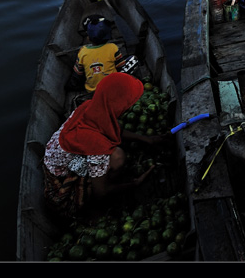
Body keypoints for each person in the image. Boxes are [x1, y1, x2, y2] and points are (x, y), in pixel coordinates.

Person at [42, 72, 160, 220]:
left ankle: (99, 177)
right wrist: (134, 184)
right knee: (118, 157)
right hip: (60, 179)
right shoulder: (96, 143)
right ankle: (93, 206)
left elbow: (116, 129)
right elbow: (101, 191)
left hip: (57, 156)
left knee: (112, 148)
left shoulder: (90, 106)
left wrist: (147, 139)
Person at [71, 15, 124, 95]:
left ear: (88, 38)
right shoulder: (113, 48)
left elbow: (78, 73)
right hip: (113, 87)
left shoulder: (82, 51)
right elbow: (121, 67)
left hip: (92, 91)